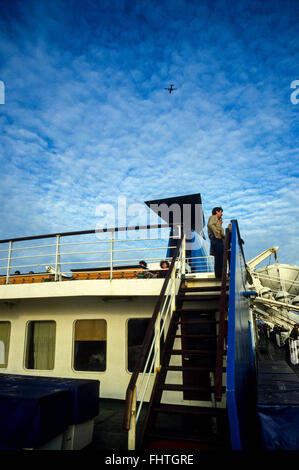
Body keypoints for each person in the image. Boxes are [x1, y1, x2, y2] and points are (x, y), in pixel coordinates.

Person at [207, 207, 224, 279]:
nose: (222, 213)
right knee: (218, 257)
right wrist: (217, 235)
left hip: (217, 239)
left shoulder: (217, 220)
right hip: (215, 239)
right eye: (221, 212)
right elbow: (210, 225)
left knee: (220, 257)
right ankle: (219, 275)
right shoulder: (213, 217)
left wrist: (220, 223)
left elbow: (218, 228)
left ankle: (220, 275)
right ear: (217, 212)